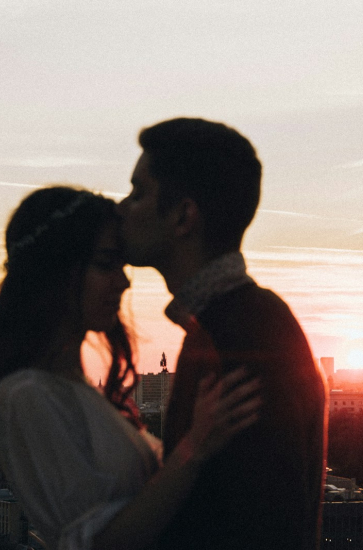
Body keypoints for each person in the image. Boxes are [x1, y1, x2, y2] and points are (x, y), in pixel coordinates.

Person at [0, 186, 261, 550]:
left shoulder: (76, 388)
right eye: (105, 264)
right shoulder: (26, 394)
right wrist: (194, 448)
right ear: (57, 272)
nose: (125, 281)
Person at [117, 118, 328, 549]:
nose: (121, 208)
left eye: (138, 193)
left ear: (182, 217)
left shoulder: (236, 338)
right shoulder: (242, 321)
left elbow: (261, 521)